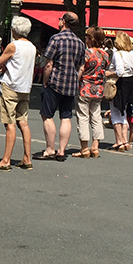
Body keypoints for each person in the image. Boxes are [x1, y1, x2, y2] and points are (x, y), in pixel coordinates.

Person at [35, 12, 85, 162]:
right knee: (66, 116)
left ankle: (50, 148)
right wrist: (76, 80)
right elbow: (81, 67)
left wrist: (44, 81)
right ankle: (62, 150)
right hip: (71, 84)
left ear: (63, 22)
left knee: (47, 115)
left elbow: (49, 63)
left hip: (55, 82)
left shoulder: (56, 39)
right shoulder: (80, 43)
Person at [0, 15, 37, 170]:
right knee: (23, 122)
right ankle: (27, 158)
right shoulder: (32, 46)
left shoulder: (13, 45)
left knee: (9, 124)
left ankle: (6, 160)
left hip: (11, 86)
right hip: (25, 87)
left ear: (14, 30)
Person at [69, 26, 107, 158]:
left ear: (90, 39)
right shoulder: (105, 54)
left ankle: (84, 148)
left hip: (85, 88)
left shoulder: (86, 53)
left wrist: (74, 82)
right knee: (96, 117)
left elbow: (80, 69)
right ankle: (95, 147)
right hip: (98, 89)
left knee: (83, 117)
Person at [106, 31, 133, 152]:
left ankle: (119, 141)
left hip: (120, 83)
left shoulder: (118, 54)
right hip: (130, 83)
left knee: (115, 112)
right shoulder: (132, 54)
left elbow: (119, 71)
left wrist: (109, 73)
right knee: (123, 112)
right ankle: (125, 141)